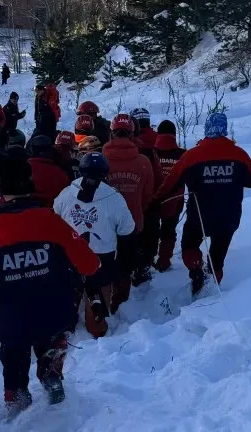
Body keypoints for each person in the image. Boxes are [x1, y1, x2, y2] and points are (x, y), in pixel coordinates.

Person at [0, 158, 100, 417]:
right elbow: (90, 264)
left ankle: (16, 403)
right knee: (52, 339)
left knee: (13, 364)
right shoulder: (52, 222)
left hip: (12, 322)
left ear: (0, 192)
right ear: (30, 186)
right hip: (54, 314)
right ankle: (52, 377)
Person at [156, 112, 251, 295]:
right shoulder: (239, 155)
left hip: (199, 216)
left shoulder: (192, 156)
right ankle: (213, 291)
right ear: (225, 129)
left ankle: (196, 271)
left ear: (206, 129)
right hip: (229, 216)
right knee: (218, 256)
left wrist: (155, 200)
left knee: (189, 245)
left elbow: (170, 184)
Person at [54, 152, 133, 338]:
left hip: (71, 256)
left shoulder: (66, 194)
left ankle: (67, 321)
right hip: (101, 259)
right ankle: (96, 325)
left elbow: (54, 218)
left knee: (69, 294)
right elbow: (127, 230)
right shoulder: (115, 198)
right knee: (97, 306)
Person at [101, 113, 156, 309]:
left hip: (104, 225)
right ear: (133, 134)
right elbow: (148, 195)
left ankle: (104, 301)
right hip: (133, 223)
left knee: (104, 264)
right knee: (126, 265)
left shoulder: (100, 159)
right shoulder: (143, 161)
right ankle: (121, 302)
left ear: (111, 134)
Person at [147, 120, 187, 272]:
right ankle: (164, 260)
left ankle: (148, 259)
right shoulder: (183, 154)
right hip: (175, 201)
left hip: (153, 199)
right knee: (169, 231)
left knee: (152, 229)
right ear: (174, 135)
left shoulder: (151, 153)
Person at [29, 135, 72, 203]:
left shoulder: (21, 171)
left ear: (31, 150)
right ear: (50, 150)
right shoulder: (62, 175)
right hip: (52, 211)